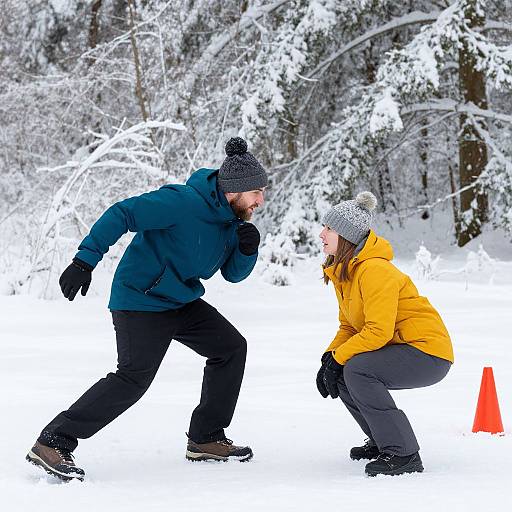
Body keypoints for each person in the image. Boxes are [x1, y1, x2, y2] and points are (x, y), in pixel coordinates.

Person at [26, 137, 267, 482]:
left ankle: (206, 437)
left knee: (231, 348)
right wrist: (85, 260)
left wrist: (246, 250)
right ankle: (53, 442)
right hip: (140, 299)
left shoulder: (232, 221)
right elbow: (122, 213)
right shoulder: (181, 203)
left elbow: (232, 275)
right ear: (235, 190)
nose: (260, 200)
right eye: (256, 192)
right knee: (133, 378)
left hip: (180, 300)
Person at [316, 191, 454, 477]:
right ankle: (383, 441)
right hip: (404, 348)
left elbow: (378, 332)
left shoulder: (374, 271)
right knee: (345, 370)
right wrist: (329, 357)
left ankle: (403, 453)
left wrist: (339, 358)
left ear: (346, 235)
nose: (322, 234)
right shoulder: (347, 271)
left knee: (357, 369)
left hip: (427, 351)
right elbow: (349, 327)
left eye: (328, 228)